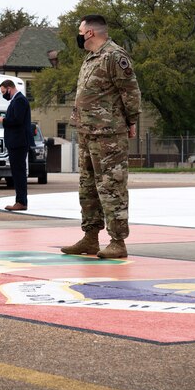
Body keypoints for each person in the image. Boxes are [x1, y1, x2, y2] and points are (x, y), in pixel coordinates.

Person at [61, 14, 141, 259]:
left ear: (90, 33)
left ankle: (118, 242)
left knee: (111, 187)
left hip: (108, 134)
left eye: (80, 30)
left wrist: (132, 120)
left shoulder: (115, 57)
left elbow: (130, 91)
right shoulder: (90, 58)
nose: (78, 35)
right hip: (86, 133)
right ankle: (90, 238)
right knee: (88, 189)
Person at [0, 79, 33, 211]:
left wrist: (3, 120)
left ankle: (21, 202)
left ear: (9, 88)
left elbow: (17, 120)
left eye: (4, 92)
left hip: (18, 142)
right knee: (17, 172)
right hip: (16, 142)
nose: (3, 94)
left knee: (19, 172)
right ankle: (20, 201)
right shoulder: (16, 101)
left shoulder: (19, 100)